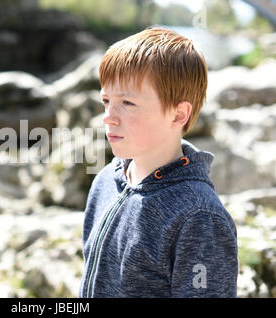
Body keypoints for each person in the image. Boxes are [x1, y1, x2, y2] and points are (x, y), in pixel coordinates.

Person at [78, 27, 238, 298]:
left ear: (178, 115)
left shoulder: (198, 217)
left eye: (127, 102)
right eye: (106, 101)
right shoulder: (105, 181)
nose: (108, 117)